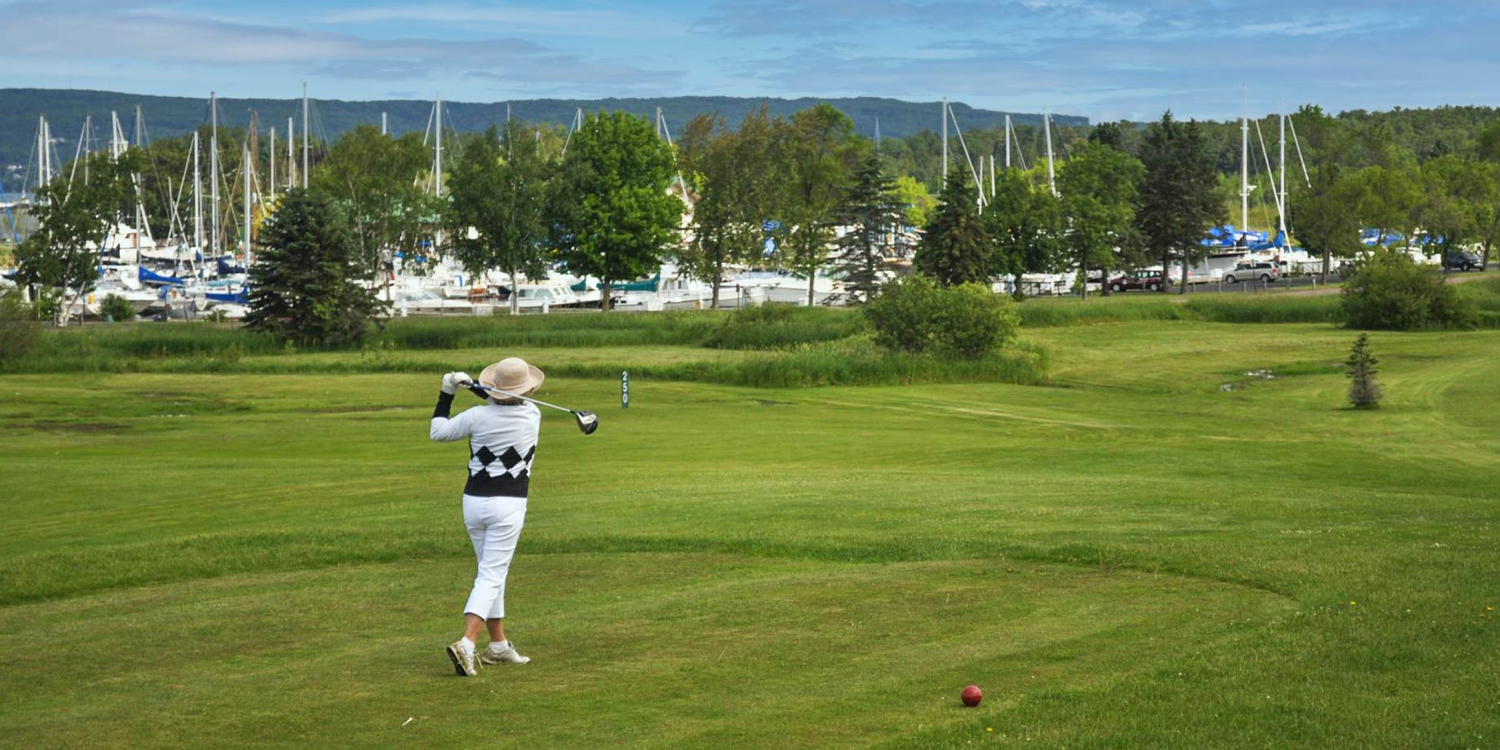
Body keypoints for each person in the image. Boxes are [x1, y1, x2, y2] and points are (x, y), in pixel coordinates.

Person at [429, 357, 544, 677]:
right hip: (508, 505)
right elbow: (502, 400)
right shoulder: (533, 414)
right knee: (492, 575)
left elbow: (438, 432)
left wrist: (448, 392)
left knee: (490, 574)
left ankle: (498, 645)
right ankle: (467, 643)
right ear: (527, 390)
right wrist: (475, 387)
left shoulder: (476, 416)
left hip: (474, 503)